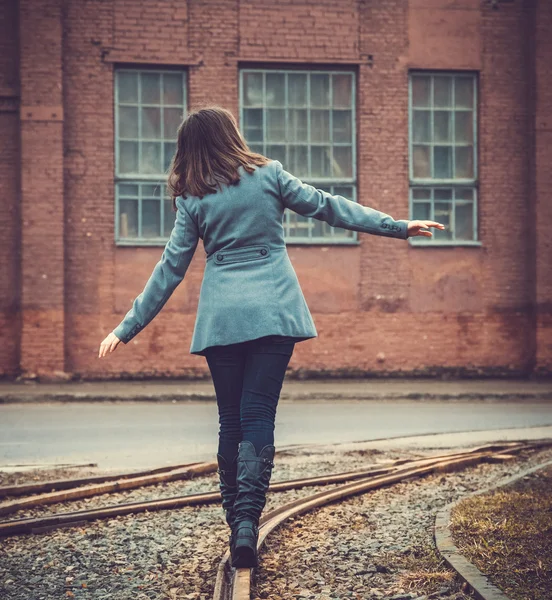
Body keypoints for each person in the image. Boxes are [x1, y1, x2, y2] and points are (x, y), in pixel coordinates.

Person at [98, 105, 444, 569]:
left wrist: (126, 327)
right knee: (258, 413)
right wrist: (398, 227)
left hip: (222, 321)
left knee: (230, 421)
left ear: (189, 150)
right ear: (230, 136)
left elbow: (170, 270)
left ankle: (233, 525)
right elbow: (329, 207)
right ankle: (247, 525)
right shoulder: (269, 176)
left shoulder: (193, 199)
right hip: (274, 312)